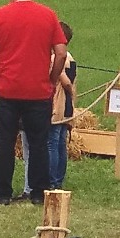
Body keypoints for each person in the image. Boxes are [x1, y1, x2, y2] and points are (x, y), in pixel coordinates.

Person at [0, 0, 64, 205]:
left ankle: (2, 193)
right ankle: (38, 192)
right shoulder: (48, 15)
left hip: (7, 89)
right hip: (38, 90)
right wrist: (52, 79)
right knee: (38, 143)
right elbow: (61, 52)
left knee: (5, 141)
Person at [44, 22, 77, 190]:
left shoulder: (56, 58)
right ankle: (58, 180)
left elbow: (65, 81)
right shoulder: (71, 57)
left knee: (52, 142)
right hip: (67, 106)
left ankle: (52, 181)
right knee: (60, 143)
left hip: (58, 104)